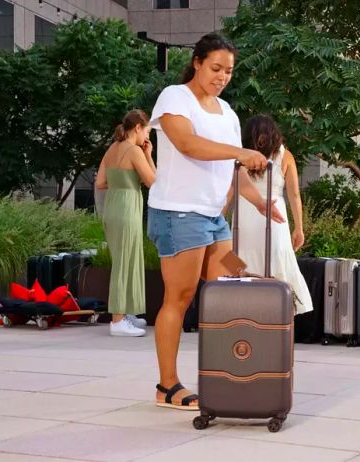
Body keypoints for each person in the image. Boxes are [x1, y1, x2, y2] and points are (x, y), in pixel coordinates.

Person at [147, 33, 284, 411]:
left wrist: (259, 202)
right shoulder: (176, 97)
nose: (222, 76)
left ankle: (230, 372)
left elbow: (230, 168)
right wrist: (241, 151)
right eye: (215, 68)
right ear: (197, 62)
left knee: (232, 284)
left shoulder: (228, 112)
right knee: (180, 297)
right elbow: (189, 145)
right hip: (179, 213)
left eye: (229, 71)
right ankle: (167, 385)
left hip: (212, 219)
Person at [230, 114, 313, 315]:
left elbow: (230, 190)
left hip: (243, 214)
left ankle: (241, 310)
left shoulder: (240, 157)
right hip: (275, 216)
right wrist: (299, 228)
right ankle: (279, 316)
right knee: (277, 261)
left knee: (237, 261)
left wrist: (216, 219)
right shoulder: (286, 156)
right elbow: (294, 194)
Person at [95, 110, 156, 337]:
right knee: (124, 261)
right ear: (138, 128)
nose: (148, 136)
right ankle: (118, 321)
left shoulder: (112, 148)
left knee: (125, 259)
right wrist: (148, 156)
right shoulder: (133, 150)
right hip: (128, 206)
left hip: (113, 205)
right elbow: (152, 181)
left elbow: (101, 182)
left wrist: (120, 180)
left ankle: (125, 313)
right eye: (148, 130)